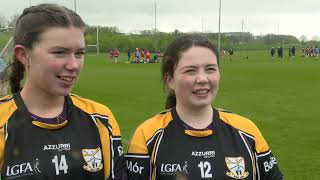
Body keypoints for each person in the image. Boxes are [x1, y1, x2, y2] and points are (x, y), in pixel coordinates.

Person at [126, 34, 283, 180]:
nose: (202, 79)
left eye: (210, 69)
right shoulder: (147, 136)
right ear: (170, 80)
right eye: (190, 71)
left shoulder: (247, 131)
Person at [0, 4, 126, 180]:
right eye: (59, 52)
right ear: (23, 54)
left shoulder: (100, 118)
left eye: (80, 53)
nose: (74, 65)